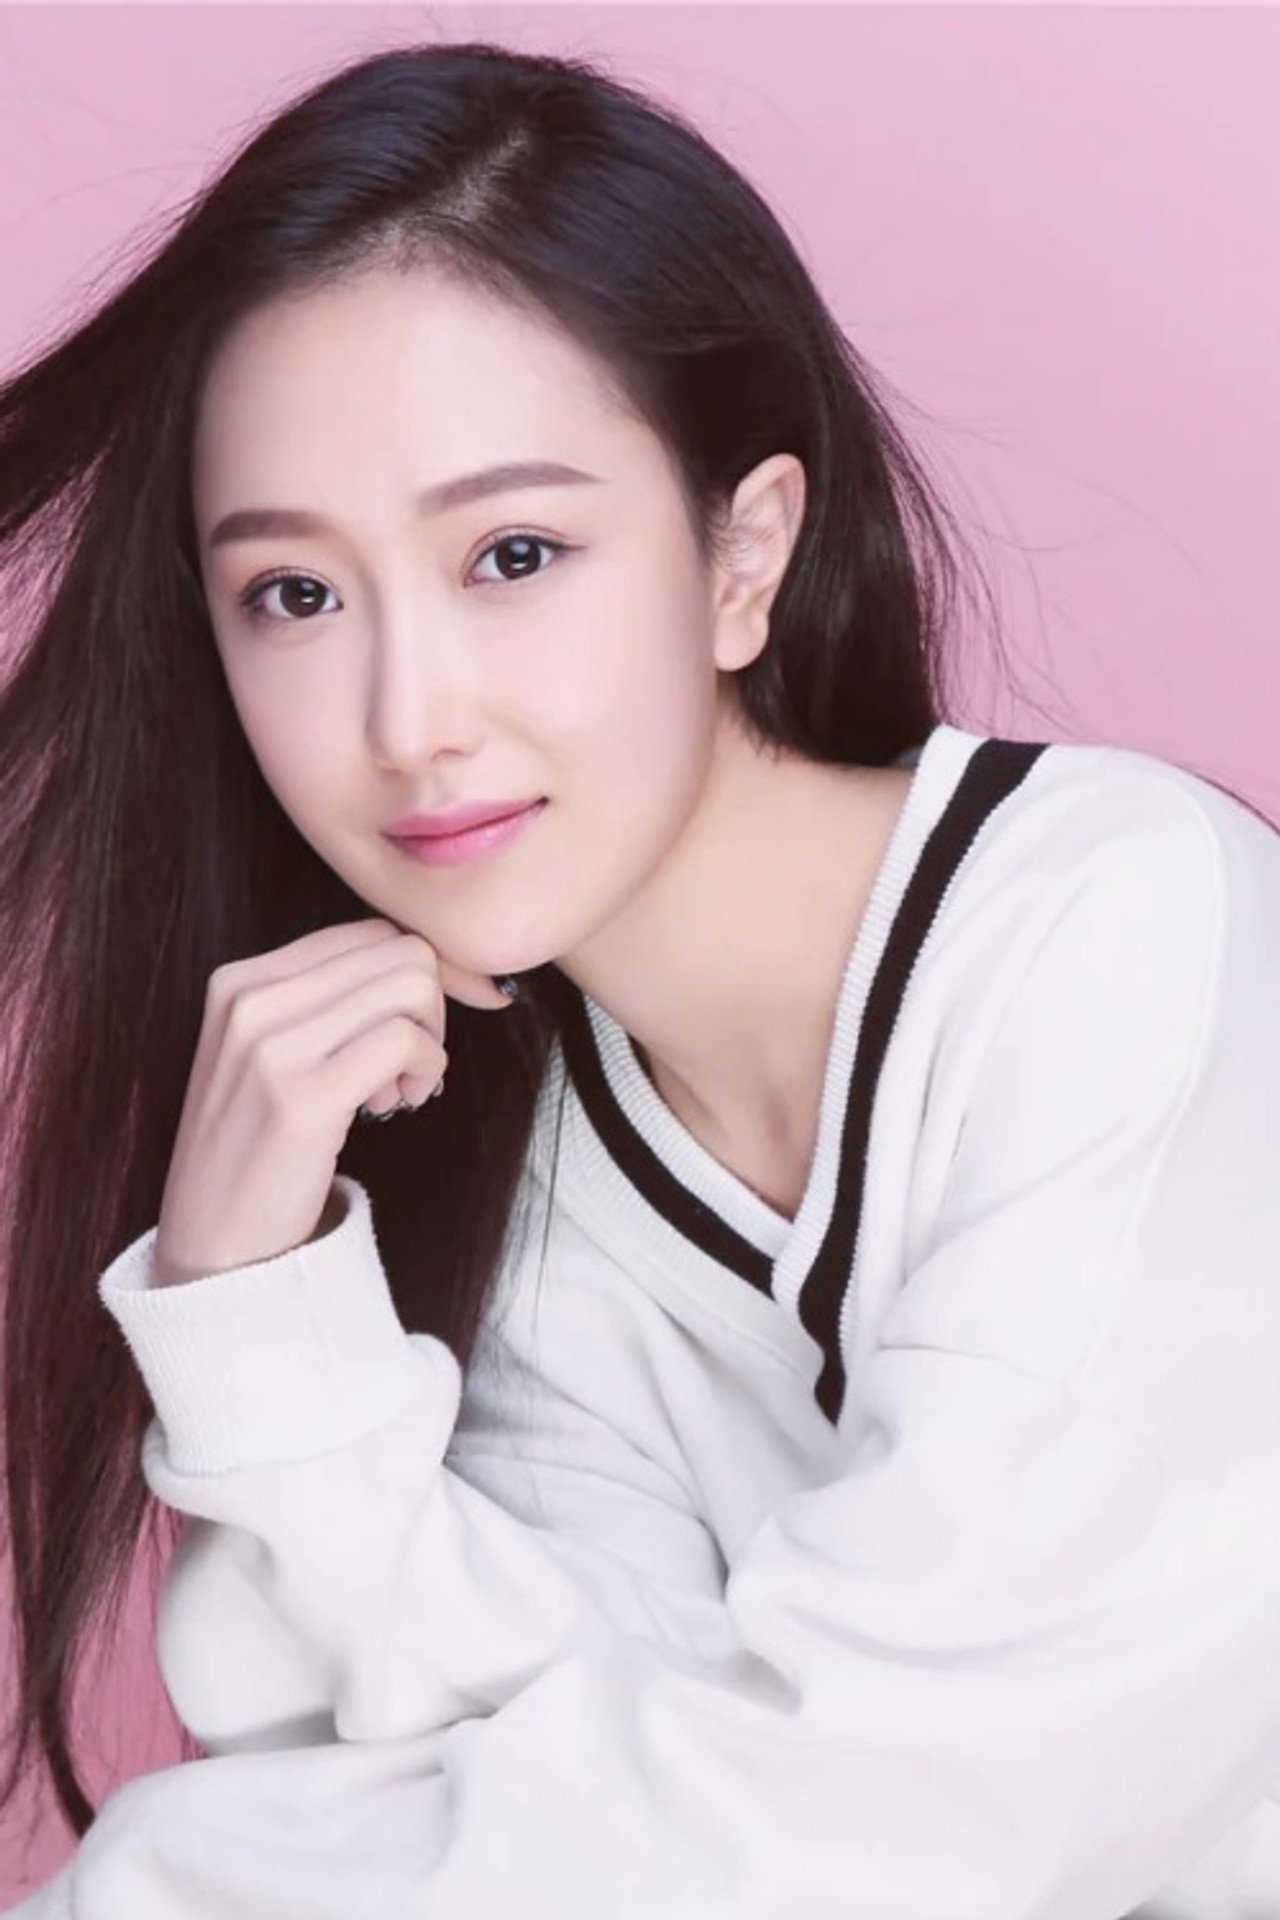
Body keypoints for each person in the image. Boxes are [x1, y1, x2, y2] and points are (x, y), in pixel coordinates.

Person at [1, 35, 1279, 1920]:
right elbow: (421, 1791)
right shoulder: (532, 1179)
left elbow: (904, 1833)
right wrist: (242, 1295)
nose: (410, 722)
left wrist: (149, 1891)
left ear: (743, 556)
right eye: (297, 595)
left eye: (512, 554)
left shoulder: (1117, 931)